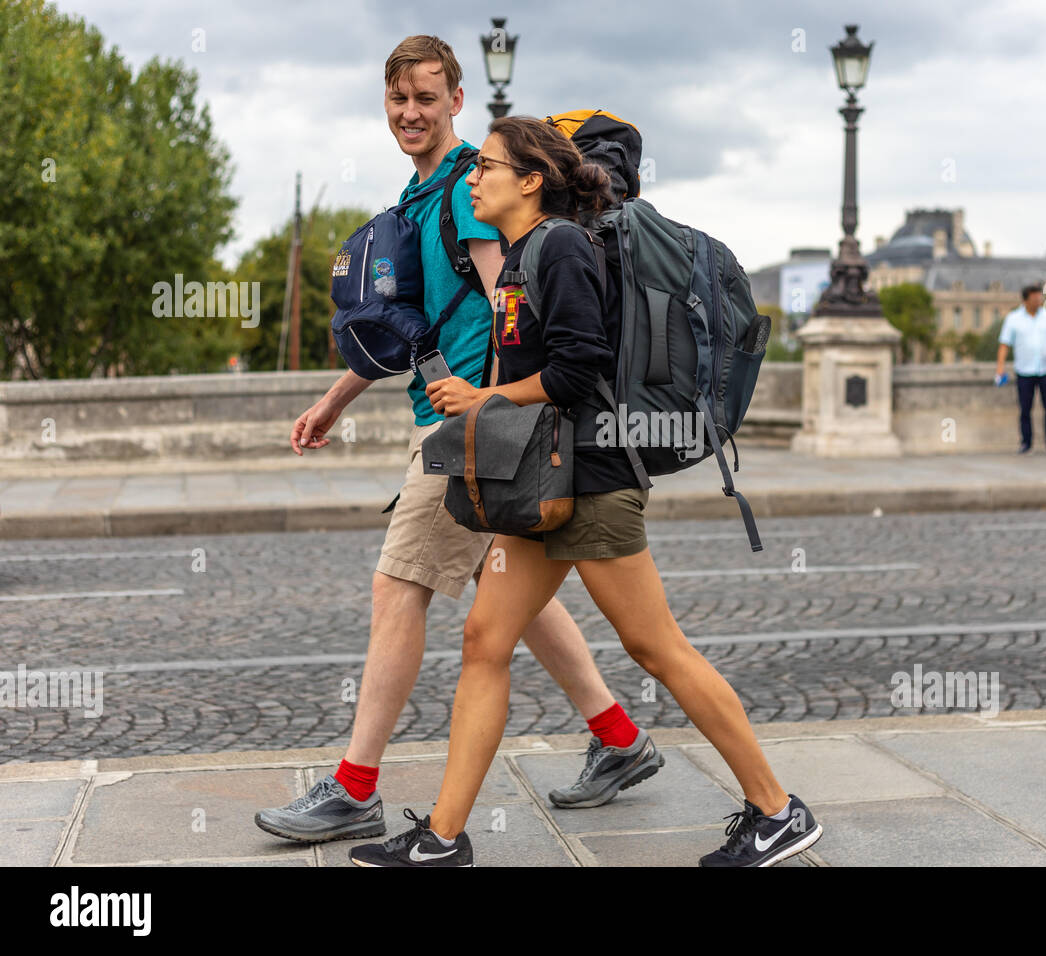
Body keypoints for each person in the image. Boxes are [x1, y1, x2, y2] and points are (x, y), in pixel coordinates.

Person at [348, 117, 823, 868]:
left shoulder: (561, 246)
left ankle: (777, 809)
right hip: (544, 481)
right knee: (484, 641)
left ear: (531, 180)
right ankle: (442, 838)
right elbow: (542, 368)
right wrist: (482, 397)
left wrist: (483, 401)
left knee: (655, 647)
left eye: (489, 167)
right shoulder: (519, 257)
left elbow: (578, 369)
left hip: (595, 480)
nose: (474, 176)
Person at [255, 36, 661, 845]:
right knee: (504, 591)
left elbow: (516, 297)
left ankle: (356, 786)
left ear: (456, 101)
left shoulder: (475, 188)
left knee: (398, 584)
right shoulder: (421, 194)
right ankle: (619, 739)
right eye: (399, 99)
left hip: (472, 426)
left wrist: (486, 409)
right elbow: (409, 323)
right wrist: (335, 398)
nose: (412, 113)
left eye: (427, 98)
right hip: (462, 416)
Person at [995, 283, 1046, 455]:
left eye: (1040, 297)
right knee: (1025, 409)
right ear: (1025, 300)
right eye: (1035, 298)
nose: (1038, 301)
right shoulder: (1013, 319)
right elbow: (1004, 345)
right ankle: (1026, 442)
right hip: (1024, 370)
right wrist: (1000, 368)